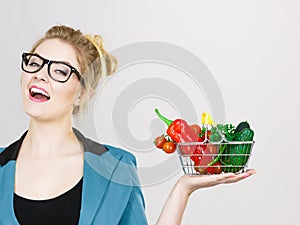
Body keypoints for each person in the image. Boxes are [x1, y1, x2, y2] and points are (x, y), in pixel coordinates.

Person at [0, 25, 255, 225]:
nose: (40, 74)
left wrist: (183, 189)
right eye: (34, 63)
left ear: (82, 93)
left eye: (60, 71)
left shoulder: (117, 167)